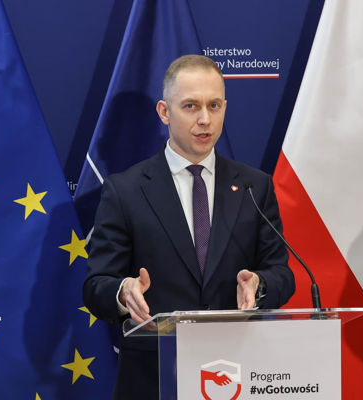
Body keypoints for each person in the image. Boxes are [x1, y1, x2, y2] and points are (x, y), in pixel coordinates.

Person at [82, 54, 295, 399]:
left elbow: (281, 273)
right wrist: (123, 291)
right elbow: (96, 285)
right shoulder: (125, 190)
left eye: (214, 106)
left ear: (225, 108)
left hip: (237, 372)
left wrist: (259, 285)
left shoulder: (254, 187)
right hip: (154, 378)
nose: (204, 119)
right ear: (164, 112)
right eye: (191, 106)